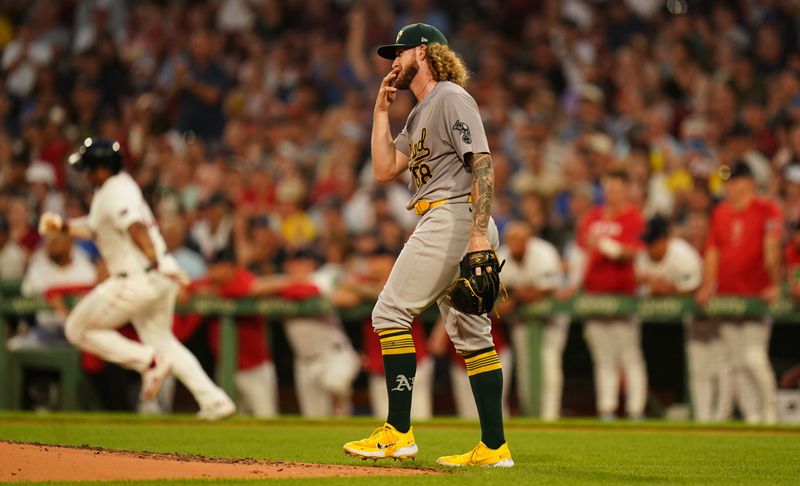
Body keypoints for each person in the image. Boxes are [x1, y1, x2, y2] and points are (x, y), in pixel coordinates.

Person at [342, 23, 512, 467]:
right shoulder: (418, 112)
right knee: (473, 339)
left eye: (399, 51)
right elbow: (384, 169)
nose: (392, 60)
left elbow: (483, 162)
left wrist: (478, 230)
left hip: (455, 216)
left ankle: (398, 431)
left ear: (424, 50)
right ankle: (495, 447)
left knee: (388, 313)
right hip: (452, 218)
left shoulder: (450, 96)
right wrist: (380, 113)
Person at [38, 137, 235, 420]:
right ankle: (215, 400)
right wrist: (65, 227)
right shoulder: (117, 187)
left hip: (138, 277)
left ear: (103, 167)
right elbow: (98, 228)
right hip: (154, 275)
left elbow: (135, 227)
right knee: (164, 341)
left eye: (89, 167)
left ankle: (148, 361)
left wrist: (153, 261)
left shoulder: (115, 192)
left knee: (76, 329)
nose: (85, 173)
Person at [696, 160, 783, 424]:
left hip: (755, 294)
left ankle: (770, 411)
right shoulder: (721, 212)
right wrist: (708, 284)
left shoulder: (766, 208)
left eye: (734, 181)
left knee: (753, 356)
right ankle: (752, 414)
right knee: (734, 361)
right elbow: (713, 250)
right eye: (727, 181)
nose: (729, 186)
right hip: (727, 295)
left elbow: (772, 248)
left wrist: (775, 282)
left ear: (749, 182)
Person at [574, 169, 647, 420]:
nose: (611, 193)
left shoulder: (633, 217)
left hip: (623, 296)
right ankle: (607, 408)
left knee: (630, 355)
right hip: (595, 296)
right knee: (603, 357)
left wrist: (605, 245)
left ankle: (636, 409)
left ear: (626, 189)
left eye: (616, 188)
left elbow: (632, 252)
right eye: (608, 188)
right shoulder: (592, 216)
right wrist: (576, 285)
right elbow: (583, 254)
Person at [634, 216, 723, 421]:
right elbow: (644, 286)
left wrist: (668, 289)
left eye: (653, 241)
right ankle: (704, 418)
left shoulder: (682, 254)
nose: (649, 247)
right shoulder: (643, 256)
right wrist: (657, 289)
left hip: (712, 312)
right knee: (698, 366)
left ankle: (724, 416)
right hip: (692, 320)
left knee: (722, 365)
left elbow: (695, 286)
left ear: (665, 238)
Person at [495, 220, 566, 420]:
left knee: (549, 364)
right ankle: (531, 414)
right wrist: (519, 294)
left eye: (519, 240)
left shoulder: (544, 253)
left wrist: (516, 296)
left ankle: (550, 416)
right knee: (525, 366)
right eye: (511, 240)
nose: (514, 244)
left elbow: (547, 289)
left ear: (529, 240)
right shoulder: (504, 256)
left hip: (552, 319)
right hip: (522, 320)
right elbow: (498, 289)